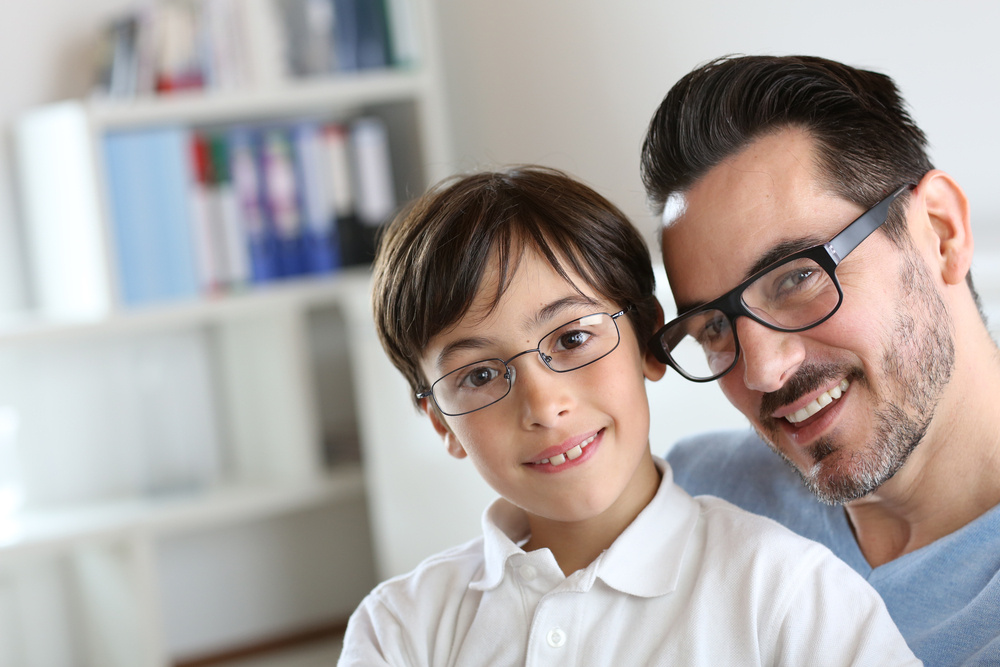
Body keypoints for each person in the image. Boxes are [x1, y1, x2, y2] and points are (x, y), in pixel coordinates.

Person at [338, 165, 919, 665]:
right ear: (442, 422)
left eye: (572, 339)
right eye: (481, 376)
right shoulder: (399, 630)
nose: (544, 406)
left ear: (649, 342)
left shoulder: (790, 595)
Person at [641, 54, 1000, 665]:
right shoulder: (687, 498)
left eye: (797, 277)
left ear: (941, 233)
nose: (763, 372)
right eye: (714, 328)